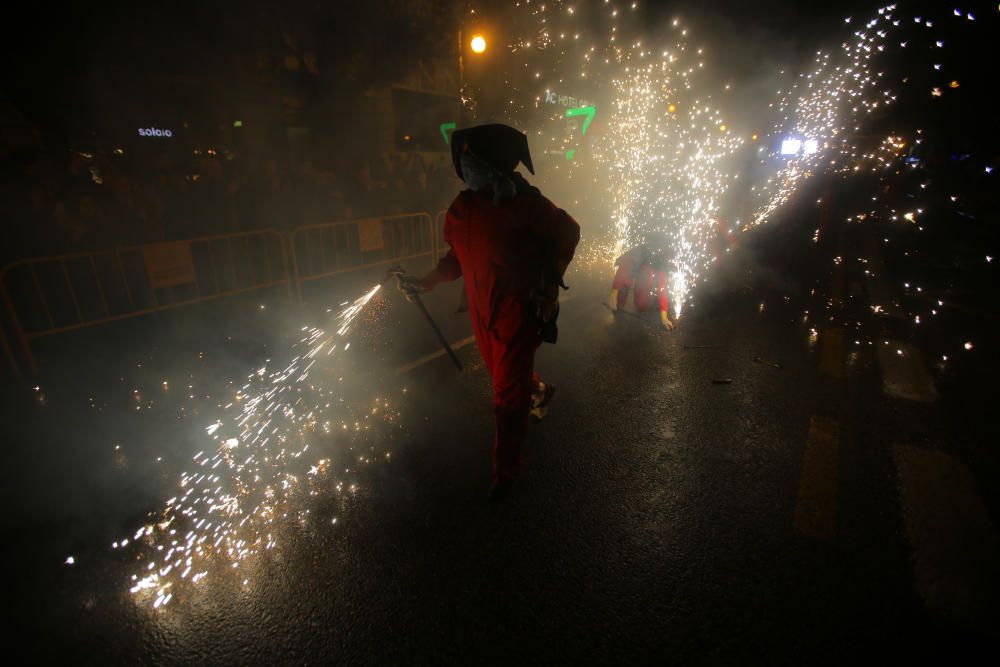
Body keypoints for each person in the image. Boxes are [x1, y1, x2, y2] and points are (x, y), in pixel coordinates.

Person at [397, 124, 580, 498]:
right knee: (505, 377)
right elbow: (456, 259)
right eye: (463, 161)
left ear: (492, 164)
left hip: (518, 309)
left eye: (471, 161)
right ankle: (541, 392)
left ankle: (505, 474)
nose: (465, 168)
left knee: (506, 397)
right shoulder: (462, 209)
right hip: (482, 312)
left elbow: (569, 232)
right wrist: (427, 280)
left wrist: (549, 284)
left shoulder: (526, 204)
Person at [609, 241, 675, 330]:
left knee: (641, 305)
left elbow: (662, 289)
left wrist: (664, 318)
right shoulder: (636, 256)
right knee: (621, 293)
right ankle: (618, 308)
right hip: (631, 268)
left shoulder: (661, 264)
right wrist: (613, 294)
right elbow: (622, 273)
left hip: (643, 270)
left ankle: (640, 300)